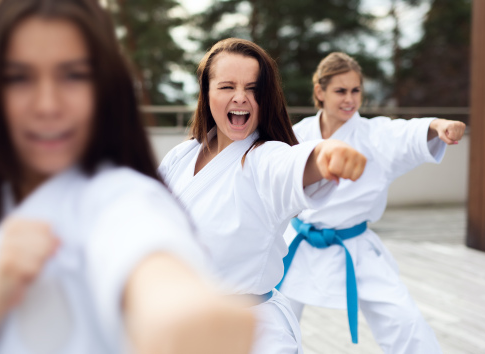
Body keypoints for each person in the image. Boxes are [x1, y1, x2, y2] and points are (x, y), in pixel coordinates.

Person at [0, 1, 255, 353]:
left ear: (105, 88)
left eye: (74, 75)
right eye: (18, 77)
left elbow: (151, 258)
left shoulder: (122, 196)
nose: (47, 104)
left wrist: (183, 313)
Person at [158, 39, 368, 354]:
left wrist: (327, 153)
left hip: (251, 334)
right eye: (227, 86)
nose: (241, 97)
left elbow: (293, 164)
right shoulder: (182, 155)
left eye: (253, 89)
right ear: (206, 93)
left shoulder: (265, 158)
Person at [276, 52, 466, 354]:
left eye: (356, 90)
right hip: (296, 244)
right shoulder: (296, 134)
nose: (350, 99)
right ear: (320, 92)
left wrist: (438, 125)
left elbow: (406, 132)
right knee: (273, 323)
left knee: (406, 321)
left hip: (355, 247)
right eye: (341, 91)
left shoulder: (375, 134)